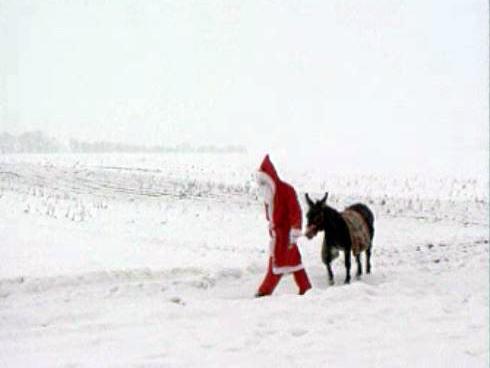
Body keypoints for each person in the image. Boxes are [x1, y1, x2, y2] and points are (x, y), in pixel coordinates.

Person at [255, 155, 312, 297]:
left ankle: (264, 292)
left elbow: (295, 210)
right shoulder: (270, 197)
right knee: (293, 263)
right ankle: (306, 289)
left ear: (269, 180)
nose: (261, 188)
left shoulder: (286, 191)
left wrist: (295, 229)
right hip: (278, 237)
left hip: (286, 237)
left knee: (278, 265)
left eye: (263, 183)